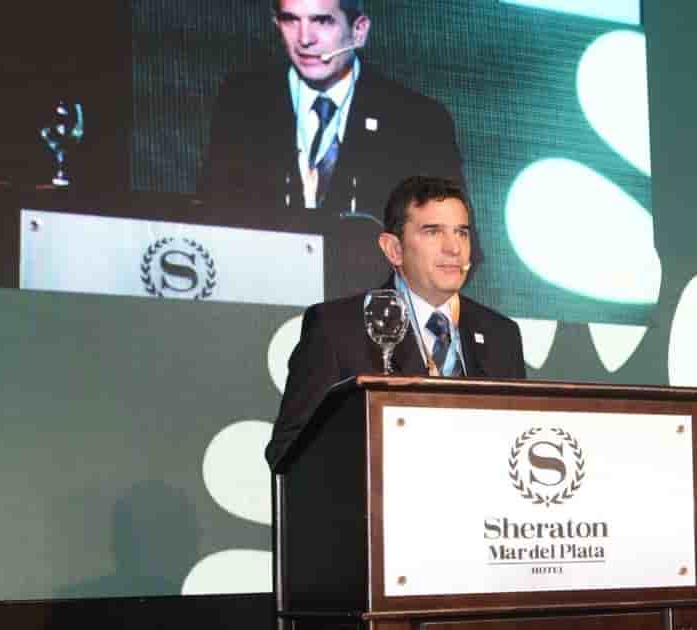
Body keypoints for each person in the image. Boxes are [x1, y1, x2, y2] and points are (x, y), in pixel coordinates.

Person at [265, 176, 525, 468]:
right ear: (394, 249)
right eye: (433, 231)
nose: (454, 248)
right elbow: (288, 452)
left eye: (461, 233)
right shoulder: (337, 329)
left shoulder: (501, 334)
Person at [199, 0, 465, 215]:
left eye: (322, 21)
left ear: (359, 31)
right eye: (291, 20)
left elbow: (457, 248)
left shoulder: (419, 121)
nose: (304, 39)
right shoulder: (242, 103)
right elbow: (210, 218)